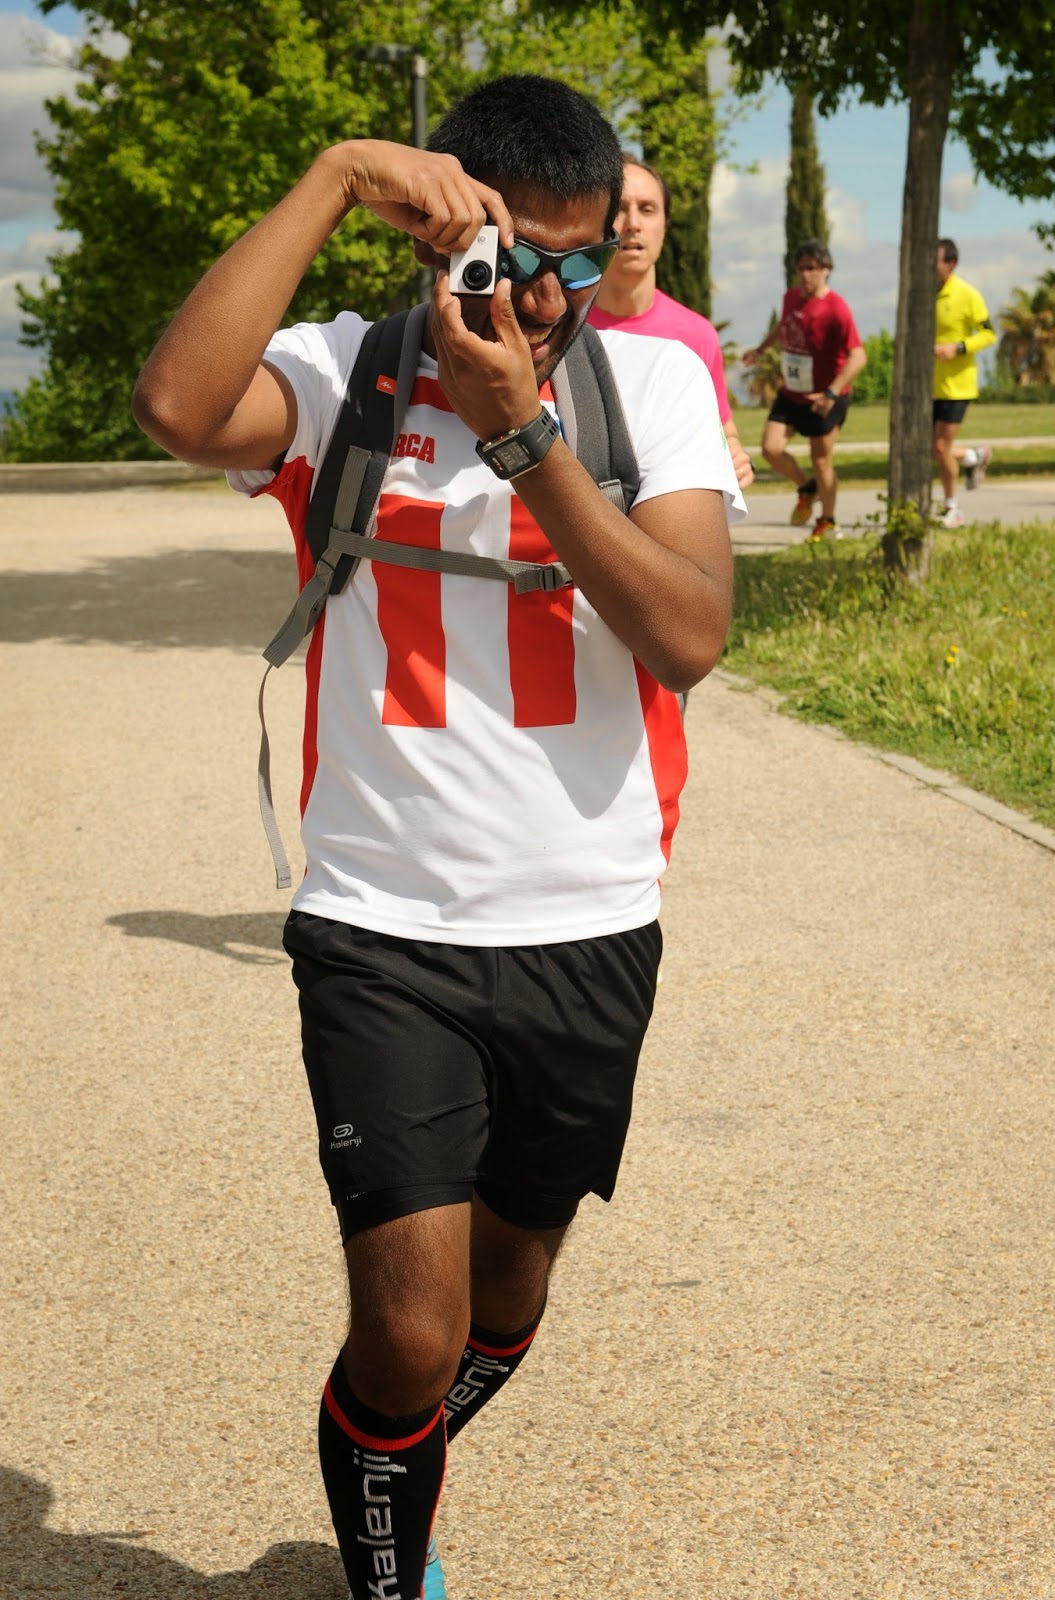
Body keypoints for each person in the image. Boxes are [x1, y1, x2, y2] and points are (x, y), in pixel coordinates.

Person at [132, 74, 743, 1600]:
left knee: (506, 1293)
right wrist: (336, 169)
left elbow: (685, 637)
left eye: (575, 258)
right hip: (381, 923)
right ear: (437, 231)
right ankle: (388, 1560)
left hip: (587, 922)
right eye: (504, 251)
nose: (535, 294)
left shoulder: (652, 389)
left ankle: (387, 1460)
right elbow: (177, 408)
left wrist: (526, 437)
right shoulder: (342, 376)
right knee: (407, 1331)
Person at [589, 155, 754, 489]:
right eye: (619, 209)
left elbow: (724, 429)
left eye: (647, 209)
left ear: (664, 224)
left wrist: (735, 455)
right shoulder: (561, 325)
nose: (633, 223)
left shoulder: (697, 335)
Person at [742, 239, 866, 540]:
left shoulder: (837, 309)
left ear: (826, 269)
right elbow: (783, 327)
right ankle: (807, 488)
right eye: (801, 269)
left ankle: (828, 519)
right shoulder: (791, 298)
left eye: (811, 268)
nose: (805, 274)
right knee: (770, 449)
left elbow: (858, 356)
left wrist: (832, 393)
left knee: (821, 459)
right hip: (792, 393)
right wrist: (760, 349)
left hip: (825, 397)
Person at [933, 237, 997, 528]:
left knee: (940, 447)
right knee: (930, 449)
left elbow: (988, 335)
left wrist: (957, 347)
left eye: (933, 260)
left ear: (950, 264)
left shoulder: (967, 294)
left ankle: (953, 508)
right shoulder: (923, 293)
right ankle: (973, 455)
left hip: (957, 385)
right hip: (928, 386)